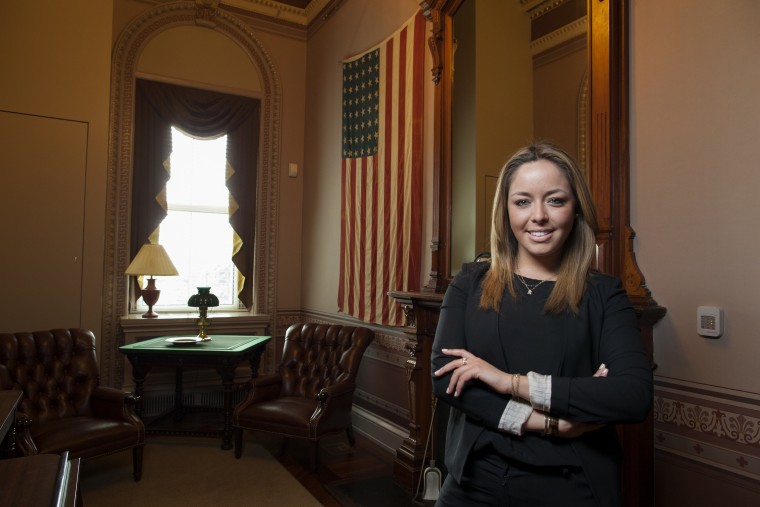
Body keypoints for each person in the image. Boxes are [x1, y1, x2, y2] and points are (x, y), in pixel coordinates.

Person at [431, 143, 652, 506]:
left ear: (575, 207)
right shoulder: (470, 282)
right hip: (473, 483)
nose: (538, 216)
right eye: (522, 202)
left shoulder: (604, 294)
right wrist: (548, 423)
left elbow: (632, 396)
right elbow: (444, 377)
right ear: (505, 211)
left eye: (555, 200)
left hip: (571, 485)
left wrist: (509, 382)